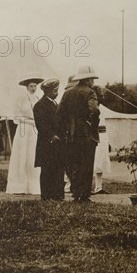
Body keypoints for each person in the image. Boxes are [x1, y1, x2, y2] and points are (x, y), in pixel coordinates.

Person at [57, 66, 100, 203]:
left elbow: (60, 113)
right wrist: (90, 123)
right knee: (86, 165)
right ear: (87, 79)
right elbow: (94, 111)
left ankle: (76, 193)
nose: (93, 81)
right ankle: (84, 195)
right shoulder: (90, 92)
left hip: (70, 135)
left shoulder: (68, 93)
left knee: (73, 164)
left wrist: (67, 127)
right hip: (86, 134)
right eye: (92, 79)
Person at [6, 74, 43, 195]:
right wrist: (30, 122)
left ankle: (33, 186)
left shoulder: (38, 98)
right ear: (26, 87)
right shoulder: (21, 99)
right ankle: (19, 186)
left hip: (35, 130)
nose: (33, 88)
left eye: (35, 86)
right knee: (22, 156)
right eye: (31, 86)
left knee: (33, 155)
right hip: (24, 129)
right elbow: (17, 116)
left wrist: (37, 123)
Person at [33, 78, 64, 201]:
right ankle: (46, 195)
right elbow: (41, 125)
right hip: (47, 143)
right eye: (55, 90)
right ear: (48, 91)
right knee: (47, 169)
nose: (56, 93)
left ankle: (58, 195)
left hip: (58, 143)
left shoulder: (55, 104)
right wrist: (52, 135)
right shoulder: (40, 105)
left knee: (58, 169)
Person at [91, 85, 111, 195]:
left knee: (101, 161)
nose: (101, 97)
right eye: (99, 95)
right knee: (92, 160)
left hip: (103, 136)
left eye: (101, 95)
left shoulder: (102, 108)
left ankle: (99, 187)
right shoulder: (90, 107)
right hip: (93, 135)